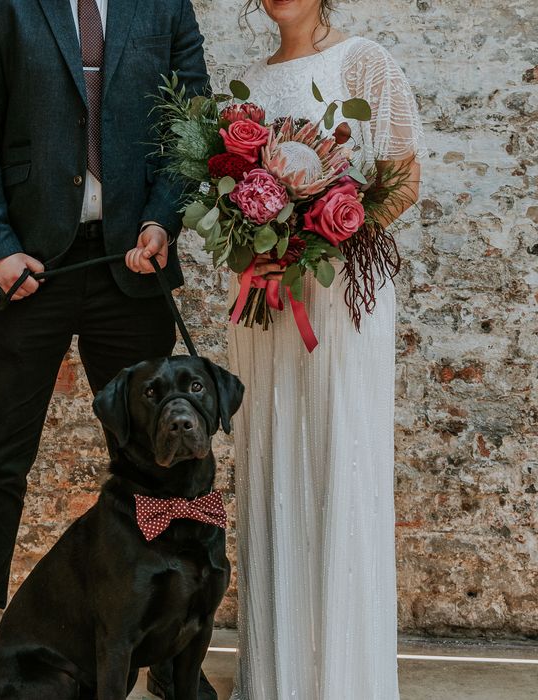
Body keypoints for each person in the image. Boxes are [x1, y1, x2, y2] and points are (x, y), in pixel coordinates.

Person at [0, 1, 216, 698]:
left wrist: (163, 220)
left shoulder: (166, 5)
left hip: (133, 270)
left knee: (158, 465)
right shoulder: (0, 5)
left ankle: (171, 655)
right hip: (26, 272)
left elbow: (190, 130)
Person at [228, 1, 425, 699]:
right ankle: (279, 674)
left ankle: (344, 677)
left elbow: (403, 178)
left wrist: (317, 236)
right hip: (268, 304)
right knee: (276, 455)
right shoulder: (249, 82)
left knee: (339, 456)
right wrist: (260, 238)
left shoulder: (362, 60)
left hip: (337, 296)